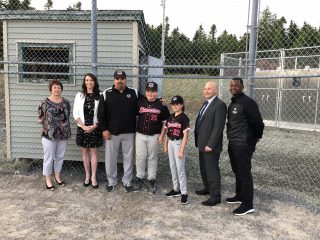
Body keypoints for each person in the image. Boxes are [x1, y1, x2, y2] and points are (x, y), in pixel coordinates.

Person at [97, 70, 142, 193]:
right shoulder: (106, 94)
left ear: (126, 79)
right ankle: (111, 181)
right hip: (112, 133)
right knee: (110, 158)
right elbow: (100, 114)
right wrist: (104, 129)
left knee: (128, 158)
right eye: (117, 78)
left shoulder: (134, 93)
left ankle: (127, 181)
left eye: (122, 78)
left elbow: (147, 103)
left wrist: (160, 101)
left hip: (129, 132)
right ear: (114, 80)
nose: (120, 81)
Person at [226, 77, 264, 216]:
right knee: (237, 171)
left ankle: (248, 204)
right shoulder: (233, 102)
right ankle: (240, 195)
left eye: (236, 85)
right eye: (231, 85)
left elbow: (258, 122)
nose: (233, 87)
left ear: (242, 87)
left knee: (245, 172)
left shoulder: (248, 102)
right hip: (233, 142)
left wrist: (256, 137)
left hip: (243, 144)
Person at [134, 82, 170, 194]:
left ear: (156, 92)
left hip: (154, 135)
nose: (150, 93)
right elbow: (135, 117)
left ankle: (151, 180)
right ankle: (140, 178)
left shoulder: (161, 104)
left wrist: (162, 135)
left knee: (152, 158)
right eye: (148, 91)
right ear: (146, 92)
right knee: (140, 157)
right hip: (140, 134)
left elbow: (165, 122)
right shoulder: (140, 101)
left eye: (153, 91)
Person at [194, 82, 227, 206]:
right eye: (205, 89)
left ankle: (215, 196)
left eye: (209, 89)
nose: (206, 91)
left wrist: (211, 144)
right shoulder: (206, 103)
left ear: (215, 90)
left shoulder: (220, 105)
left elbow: (218, 127)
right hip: (202, 143)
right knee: (204, 168)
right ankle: (207, 187)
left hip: (210, 145)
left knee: (212, 170)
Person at [38, 80, 71, 191]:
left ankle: (57, 177)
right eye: (55, 87)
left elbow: (67, 116)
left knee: (60, 157)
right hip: (49, 135)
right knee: (49, 158)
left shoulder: (66, 102)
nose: (57, 89)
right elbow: (41, 118)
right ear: (51, 89)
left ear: (61, 89)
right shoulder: (44, 102)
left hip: (63, 134)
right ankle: (48, 179)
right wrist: (49, 127)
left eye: (59, 87)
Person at [73, 73, 103, 189]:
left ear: (94, 82)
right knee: (84, 152)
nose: (89, 83)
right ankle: (87, 175)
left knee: (94, 152)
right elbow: (76, 113)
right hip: (82, 128)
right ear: (84, 82)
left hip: (95, 128)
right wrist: (83, 126)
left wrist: (95, 126)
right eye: (87, 80)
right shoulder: (79, 95)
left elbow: (102, 114)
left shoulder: (100, 95)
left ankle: (94, 177)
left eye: (91, 80)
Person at [163, 96, 190, 205]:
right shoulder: (170, 117)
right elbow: (166, 133)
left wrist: (181, 151)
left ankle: (184, 193)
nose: (175, 106)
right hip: (170, 143)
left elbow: (185, 136)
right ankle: (176, 189)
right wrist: (165, 145)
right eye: (173, 104)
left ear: (182, 105)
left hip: (179, 143)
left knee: (180, 169)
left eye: (177, 104)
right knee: (173, 167)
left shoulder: (184, 118)